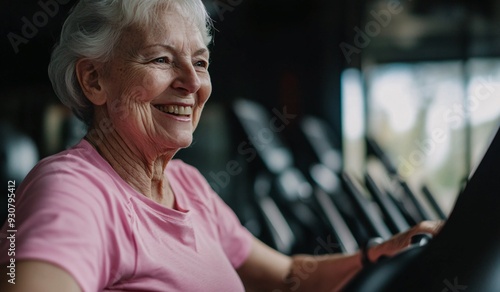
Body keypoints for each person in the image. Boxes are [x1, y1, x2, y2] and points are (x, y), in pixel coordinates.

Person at [0, 0, 443, 291]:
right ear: (94, 80)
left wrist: (380, 253)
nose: (193, 83)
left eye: (200, 63)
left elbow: (289, 277)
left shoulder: (187, 186)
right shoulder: (74, 191)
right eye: (160, 59)